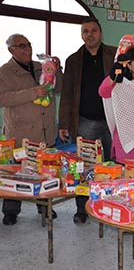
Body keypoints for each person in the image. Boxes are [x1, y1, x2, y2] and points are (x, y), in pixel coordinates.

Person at [0, 34, 62, 225]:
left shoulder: (40, 66)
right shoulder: (4, 72)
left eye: (29, 44)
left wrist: (57, 72)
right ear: (11, 49)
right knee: (16, 172)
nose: (27, 49)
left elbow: (58, 89)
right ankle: (11, 211)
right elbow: (3, 98)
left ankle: (44, 206)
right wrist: (33, 92)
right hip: (21, 134)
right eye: (21, 46)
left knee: (45, 172)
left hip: (45, 131)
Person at [58, 18, 116, 224]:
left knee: (112, 165)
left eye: (93, 30)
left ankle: (110, 204)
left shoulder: (115, 54)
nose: (89, 34)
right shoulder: (73, 60)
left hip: (112, 120)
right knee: (84, 167)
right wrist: (63, 123)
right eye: (85, 31)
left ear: (101, 33)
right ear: (81, 35)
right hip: (85, 121)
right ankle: (82, 208)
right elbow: (66, 94)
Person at [99, 46, 134, 163]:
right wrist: (113, 76)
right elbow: (103, 91)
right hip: (124, 143)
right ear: (129, 65)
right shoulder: (119, 85)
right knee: (125, 180)